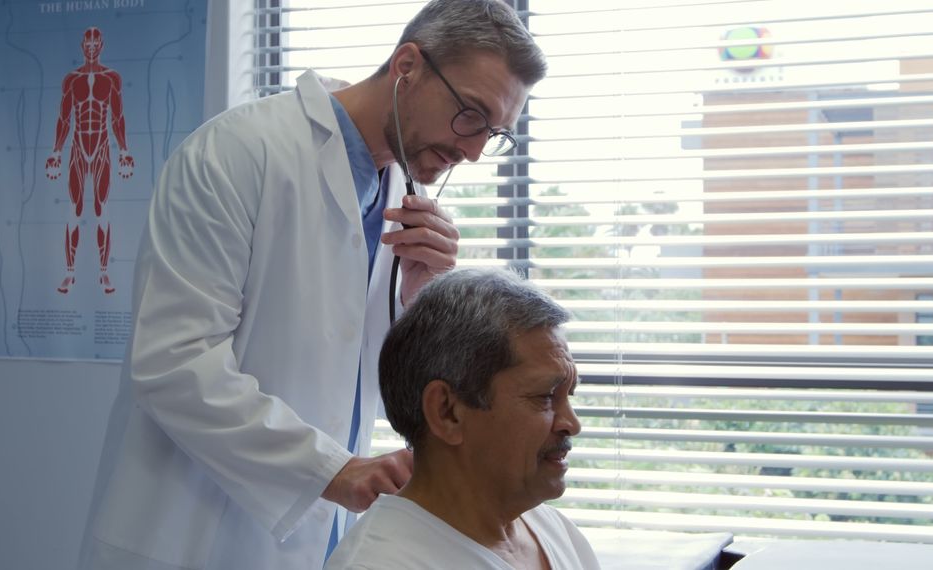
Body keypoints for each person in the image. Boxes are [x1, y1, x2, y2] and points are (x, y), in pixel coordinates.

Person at [76, 1, 547, 569]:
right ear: (408, 66)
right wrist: (332, 470)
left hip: (321, 536)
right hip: (189, 535)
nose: (472, 151)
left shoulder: (402, 196)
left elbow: (350, 365)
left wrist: (420, 295)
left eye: (492, 133)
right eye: (470, 114)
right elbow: (174, 363)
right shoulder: (237, 153)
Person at [325, 268, 600, 569]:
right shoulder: (381, 564)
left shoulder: (556, 532)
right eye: (545, 397)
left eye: (568, 396)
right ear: (447, 412)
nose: (571, 424)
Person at [46, 27, 134, 294]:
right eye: (88, 42)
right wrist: (56, 153)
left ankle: (104, 273)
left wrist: (124, 152)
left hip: (102, 147)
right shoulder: (71, 80)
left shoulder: (112, 78)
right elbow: (64, 118)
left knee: (100, 209)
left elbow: (117, 117)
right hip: (77, 147)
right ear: (82, 45)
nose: (92, 46)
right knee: (73, 210)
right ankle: (70, 273)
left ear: (102, 44)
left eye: (96, 42)